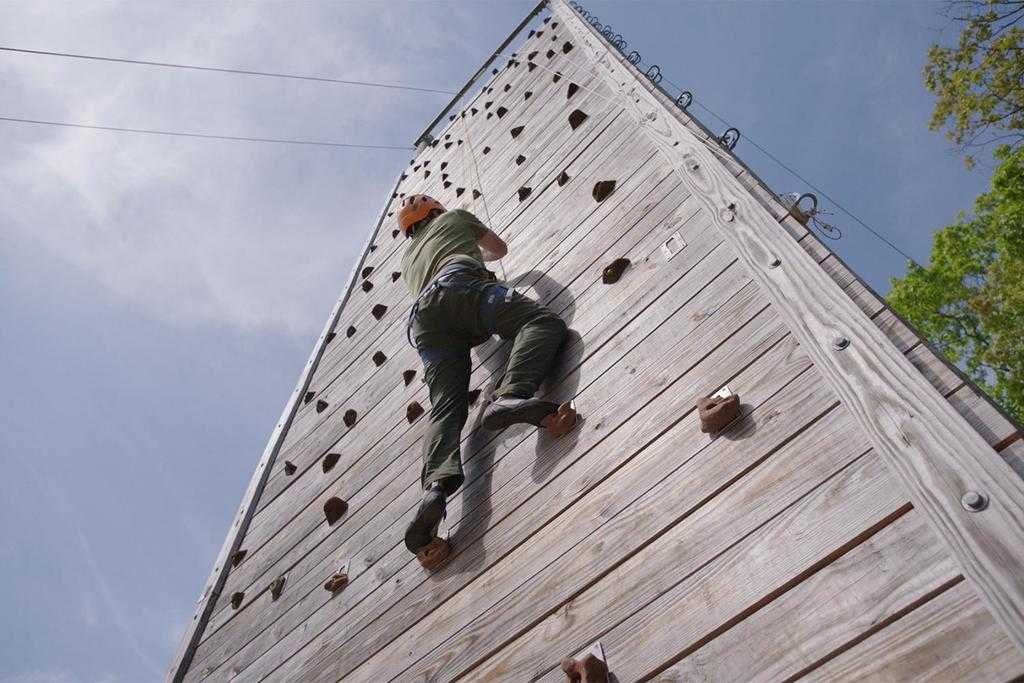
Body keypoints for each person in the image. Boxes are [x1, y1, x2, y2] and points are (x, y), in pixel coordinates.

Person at [398, 194, 568, 555]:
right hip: (460, 285)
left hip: (424, 322)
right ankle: (509, 396)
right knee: (541, 322)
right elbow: (499, 249)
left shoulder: (408, 259)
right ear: (436, 211)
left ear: (409, 229)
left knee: (446, 406)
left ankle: (435, 488)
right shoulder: (455, 216)